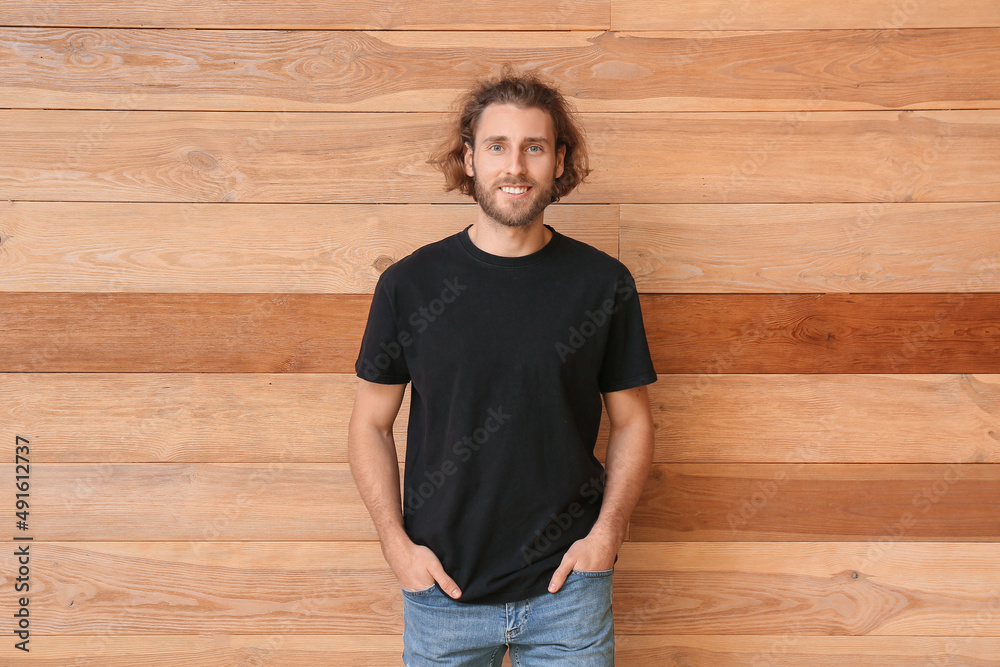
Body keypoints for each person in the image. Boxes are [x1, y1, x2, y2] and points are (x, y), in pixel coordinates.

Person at [348, 66, 657, 666]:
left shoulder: (602, 285)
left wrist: (606, 536)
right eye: (497, 146)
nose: (514, 166)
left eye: (533, 147)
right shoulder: (409, 286)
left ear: (559, 161)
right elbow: (368, 425)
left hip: (569, 595)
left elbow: (634, 421)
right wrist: (396, 547)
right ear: (468, 159)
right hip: (442, 595)